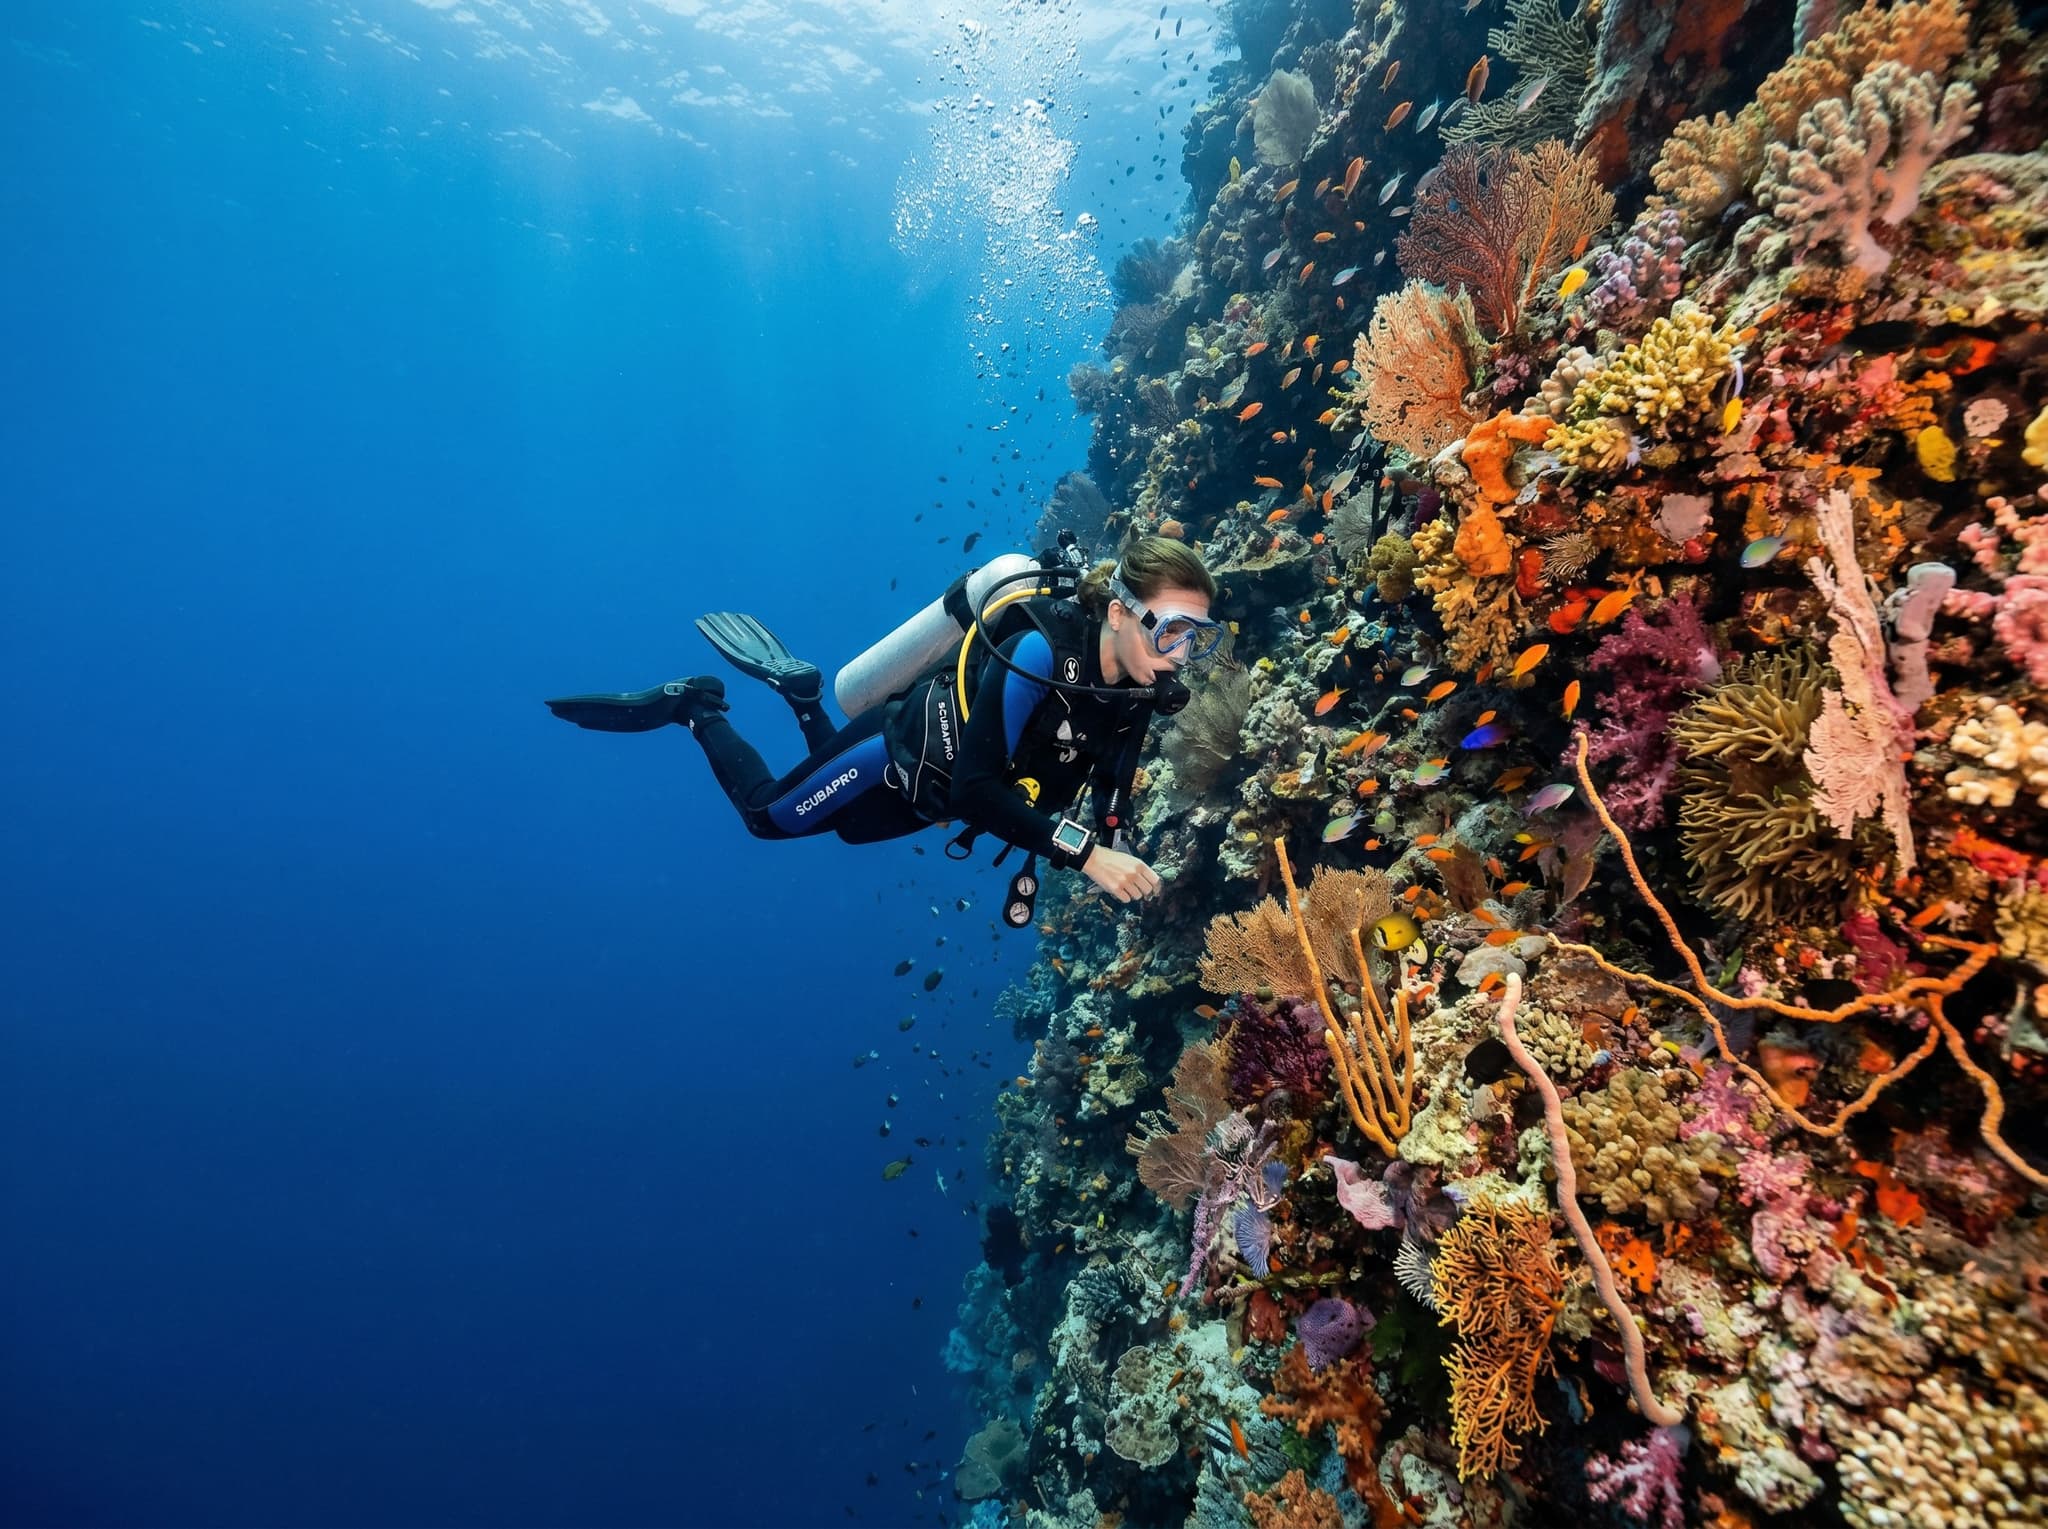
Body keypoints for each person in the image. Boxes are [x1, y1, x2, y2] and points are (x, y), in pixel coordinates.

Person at [544, 537, 1222, 919]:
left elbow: (1111, 789)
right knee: (768, 817)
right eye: (1170, 630)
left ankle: (804, 696)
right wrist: (1087, 858)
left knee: (849, 827)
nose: (1179, 655)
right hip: (896, 752)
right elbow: (976, 789)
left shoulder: (1138, 691)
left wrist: (1115, 840)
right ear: (1117, 614)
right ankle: (695, 704)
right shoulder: (1040, 654)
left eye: (1198, 639)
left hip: (924, 794)